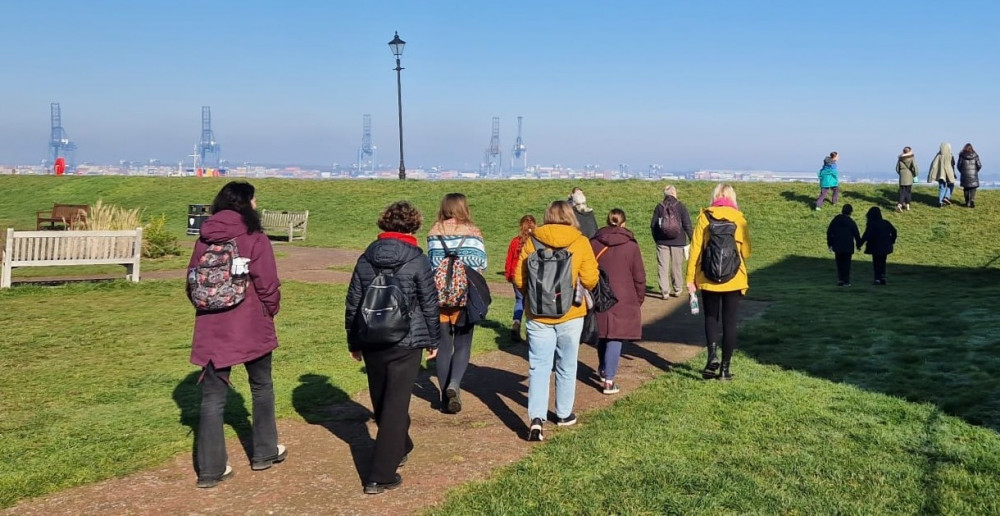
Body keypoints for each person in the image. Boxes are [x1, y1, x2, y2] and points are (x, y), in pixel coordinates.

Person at [188, 181, 285, 488]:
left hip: (211, 326)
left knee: (212, 398)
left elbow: (191, 281)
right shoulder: (254, 236)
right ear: (247, 203)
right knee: (261, 386)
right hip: (250, 321)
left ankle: (211, 469)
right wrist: (270, 309)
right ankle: (265, 451)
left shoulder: (204, 237)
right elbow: (267, 281)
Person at [345, 201, 440, 495]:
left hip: (372, 337)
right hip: (406, 339)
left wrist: (353, 338)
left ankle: (400, 444)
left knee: (382, 398)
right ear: (413, 226)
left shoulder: (365, 258)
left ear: (383, 224)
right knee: (396, 405)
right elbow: (429, 302)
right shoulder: (418, 260)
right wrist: (433, 339)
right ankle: (380, 475)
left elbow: (353, 302)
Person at [514, 200, 599, 441]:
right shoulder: (580, 241)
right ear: (571, 216)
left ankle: (537, 419)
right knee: (566, 364)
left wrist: (533, 297)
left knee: (539, 366)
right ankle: (563, 414)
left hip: (538, 313)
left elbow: (520, 279)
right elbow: (591, 279)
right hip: (570, 312)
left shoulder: (532, 241)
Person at [426, 193, 487, 414]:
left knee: (443, 346)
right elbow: (481, 264)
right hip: (464, 297)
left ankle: (444, 396)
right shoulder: (473, 232)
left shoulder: (434, 232)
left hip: (439, 297)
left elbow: (431, 263)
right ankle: (454, 385)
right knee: (462, 344)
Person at [686, 184, 751, 381]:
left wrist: (690, 279)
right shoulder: (739, 219)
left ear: (714, 196)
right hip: (733, 278)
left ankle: (712, 355)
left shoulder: (704, 217)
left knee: (711, 318)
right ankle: (724, 369)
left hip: (708, 277)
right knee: (730, 323)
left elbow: (695, 251)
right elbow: (746, 252)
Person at [591, 209, 646, 394]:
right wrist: (639, 297)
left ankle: (603, 369)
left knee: (603, 333)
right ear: (624, 223)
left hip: (599, 293)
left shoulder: (594, 243)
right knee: (615, 336)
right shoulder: (631, 246)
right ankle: (609, 379)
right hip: (624, 296)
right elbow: (639, 276)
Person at [650, 184, 693, 298]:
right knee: (676, 266)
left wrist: (657, 239)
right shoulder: (681, 206)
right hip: (678, 241)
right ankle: (678, 289)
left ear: (664, 194)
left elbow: (653, 225)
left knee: (662, 266)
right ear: (674, 193)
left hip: (662, 241)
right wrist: (692, 239)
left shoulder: (659, 206)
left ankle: (665, 291)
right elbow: (687, 224)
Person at [504, 214, 536, 343]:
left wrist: (509, 274)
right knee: (531, 303)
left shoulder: (515, 241)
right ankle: (530, 332)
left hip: (516, 276)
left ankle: (516, 323)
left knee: (519, 301)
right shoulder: (535, 241)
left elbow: (509, 259)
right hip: (532, 276)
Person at [858, 206, 897, 285]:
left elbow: (866, 235)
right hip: (885, 246)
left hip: (875, 246)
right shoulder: (885, 223)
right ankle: (882, 276)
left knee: (876, 262)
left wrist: (860, 244)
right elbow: (894, 231)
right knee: (883, 261)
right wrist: (892, 241)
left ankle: (877, 278)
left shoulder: (871, 224)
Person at [826, 204, 862, 286]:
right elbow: (856, 234)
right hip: (848, 246)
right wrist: (858, 245)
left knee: (839, 264)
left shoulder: (836, 220)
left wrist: (830, 244)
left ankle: (840, 280)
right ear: (850, 212)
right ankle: (846, 281)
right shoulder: (851, 222)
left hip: (837, 245)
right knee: (846, 264)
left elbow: (829, 232)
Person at [928, 142, 956, 207]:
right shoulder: (950, 156)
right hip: (949, 173)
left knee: (942, 187)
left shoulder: (938, 156)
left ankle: (940, 202)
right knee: (951, 185)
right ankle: (946, 197)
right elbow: (952, 165)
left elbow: (933, 165)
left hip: (940, 174)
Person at [957, 143, 983, 208]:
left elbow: (958, 166)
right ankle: (972, 201)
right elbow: (979, 165)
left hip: (964, 175)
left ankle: (967, 202)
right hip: (974, 175)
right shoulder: (976, 155)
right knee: (973, 188)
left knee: (966, 188)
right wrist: (975, 171)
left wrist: (962, 172)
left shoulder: (961, 155)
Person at [895, 147, 919, 212]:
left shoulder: (900, 159)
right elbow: (914, 167)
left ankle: (900, 204)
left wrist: (901, 173)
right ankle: (907, 205)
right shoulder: (912, 158)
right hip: (909, 175)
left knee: (902, 191)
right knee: (908, 191)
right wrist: (915, 174)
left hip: (902, 176)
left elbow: (897, 168)